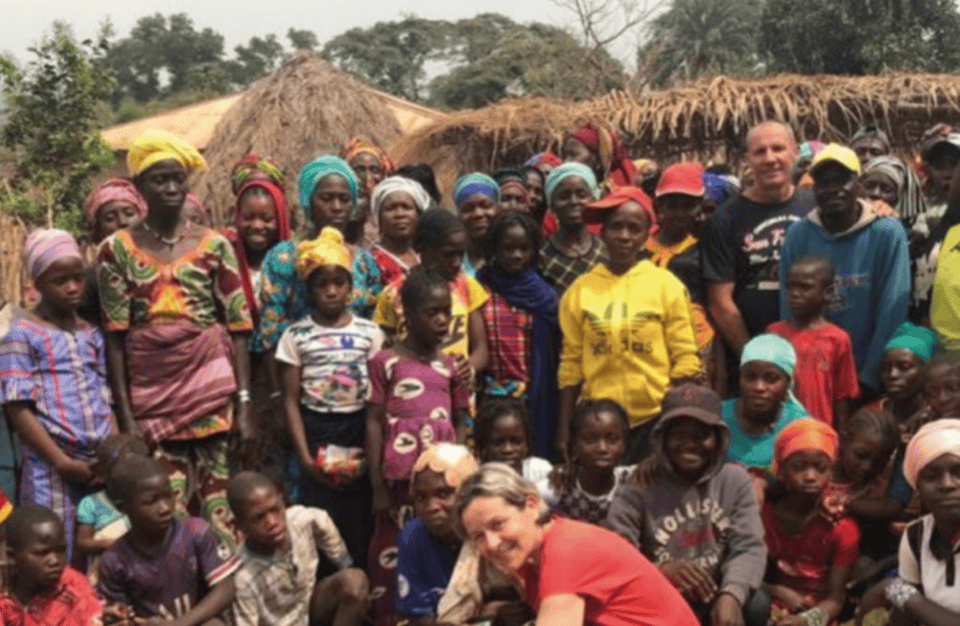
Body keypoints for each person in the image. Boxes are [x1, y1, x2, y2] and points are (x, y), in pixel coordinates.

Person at [98, 129, 254, 546]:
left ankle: (226, 606)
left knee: (220, 516)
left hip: (212, 401)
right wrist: (127, 417)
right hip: (153, 402)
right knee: (167, 519)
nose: (171, 188)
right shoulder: (117, 250)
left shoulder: (214, 245)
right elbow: (115, 336)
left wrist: (242, 404)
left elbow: (238, 326)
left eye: (177, 179)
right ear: (138, 188)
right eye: (159, 180)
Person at [456, 463, 701, 626]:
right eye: (478, 536)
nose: (492, 543)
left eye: (498, 524)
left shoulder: (565, 550)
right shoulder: (533, 559)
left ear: (531, 504)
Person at [556, 186, 701, 458]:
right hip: (599, 425)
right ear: (603, 232)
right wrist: (565, 432)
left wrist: (671, 422)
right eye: (616, 227)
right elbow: (572, 365)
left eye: (634, 229)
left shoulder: (666, 286)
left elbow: (685, 360)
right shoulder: (580, 291)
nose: (624, 236)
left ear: (647, 234)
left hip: (655, 421)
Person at [606, 384, 767, 626]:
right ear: (663, 438)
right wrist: (660, 571)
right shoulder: (640, 483)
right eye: (679, 435)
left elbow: (749, 546)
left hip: (715, 589)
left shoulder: (734, 481)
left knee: (756, 604)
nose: (689, 444)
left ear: (718, 437)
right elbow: (618, 550)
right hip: (659, 591)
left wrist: (731, 594)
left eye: (701, 435)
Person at [366, 267, 473, 626]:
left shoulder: (451, 366)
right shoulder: (386, 362)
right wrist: (378, 486)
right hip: (399, 481)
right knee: (391, 550)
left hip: (440, 481)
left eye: (447, 311)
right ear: (408, 316)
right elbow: (374, 421)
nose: (443, 320)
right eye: (433, 312)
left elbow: (461, 420)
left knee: (433, 545)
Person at [1, 229, 116, 560]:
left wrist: (115, 452)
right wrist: (62, 462)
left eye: (78, 278)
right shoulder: (20, 336)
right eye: (60, 280)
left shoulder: (91, 333)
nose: (72, 288)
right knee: (56, 553)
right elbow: (17, 408)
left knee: (106, 546)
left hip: (99, 465)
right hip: (50, 468)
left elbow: (107, 396)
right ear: (37, 283)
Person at [277, 227, 385, 565]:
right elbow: (291, 401)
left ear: (350, 288)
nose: (331, 291)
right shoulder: (296, 336)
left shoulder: (370, 333)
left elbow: (379, 399)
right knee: (321, 514)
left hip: (360, 424)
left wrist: (373, 454)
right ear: (309, 290)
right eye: (321, 284)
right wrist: (307, 460)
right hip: (317, 428)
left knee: (360, 512)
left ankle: (364, 586)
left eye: (338, 283)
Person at [780, 143, 910, 396]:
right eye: (824, 182)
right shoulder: (799, 235)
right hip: (813, 375)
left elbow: (892, 310)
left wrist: (871, 377)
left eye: (842, 180)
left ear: (858, 184)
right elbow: (789, 309)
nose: (833, 190)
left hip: (871, 374)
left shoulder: (885, 233)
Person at [703, 121, 815, 386]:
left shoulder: (816, 208)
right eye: (759, 152)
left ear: (795, 153)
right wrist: (756, 362)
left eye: (778, 149)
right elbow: (721, 303)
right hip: (751, 365)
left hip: (813, 354)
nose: (770, 159)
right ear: (747, 160)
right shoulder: (725, 219)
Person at [258, 154, 383, 353]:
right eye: (326, 199)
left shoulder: (366, 263)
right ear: (309, 201)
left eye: (344, 199)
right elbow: (271, 330)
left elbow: (374, 328)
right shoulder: (284, 258)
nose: (336, 208)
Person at [98, 455, 239, 626]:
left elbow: (225, 589)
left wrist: (178, 624)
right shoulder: (115, 560)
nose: (165, 508)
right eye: (151, 501)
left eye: (168, 496)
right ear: (123, 507)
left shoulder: (195, 532)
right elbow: (116, 615)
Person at [397, 444, 520, 625]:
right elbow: (416, 617)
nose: (432, 507)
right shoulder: (413, 536)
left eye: (445, 493)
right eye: (422, 497)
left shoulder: (498, 533)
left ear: (470, 495)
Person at [228, 471, 370, 626]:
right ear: (240, 525)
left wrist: (343, 563)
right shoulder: (244, 576)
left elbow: (323, 524)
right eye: (259, 517)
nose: (272, 522)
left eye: (275, 509)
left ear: (282, 501)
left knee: (355, 581)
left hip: (309, 606)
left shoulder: (301, 520)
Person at [856, 419, 960, 626]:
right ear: (917, 486)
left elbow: (910, 600)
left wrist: (896, 589)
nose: (947, 484)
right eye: (931, 476)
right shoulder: (917, 535)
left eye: (959, 472)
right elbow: (908, 615)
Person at [759, 418, 858, 626]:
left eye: (820, 467)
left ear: (831, 472)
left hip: (818, 614)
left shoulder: (841, 528)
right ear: (782, 469)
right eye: (799, 467)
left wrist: (804, 622)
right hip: (768, 604)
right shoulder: (763, 514)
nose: (811, 476)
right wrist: (778, 591)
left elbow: (835, 599)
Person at [478, 210, 560, 459]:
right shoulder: (480, 287)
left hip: (533, 396)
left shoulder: (545, 296)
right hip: (490, 396)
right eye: (507, 248)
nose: (516, 255)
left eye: (524, 248)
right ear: (494, 249)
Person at [373, 209, 489, 386]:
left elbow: (481, 349)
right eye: (449, 254)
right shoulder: (394, 293)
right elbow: (384, 349)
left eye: (461, 255)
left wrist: (468, 368)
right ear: (422, 248)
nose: (457, 263)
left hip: (458, 391)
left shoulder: (467, 287)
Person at [767, 256, 860, 426]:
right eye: (790, 287)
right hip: (777, 431)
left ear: (829, 293)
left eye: (804, 287)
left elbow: (842, 395)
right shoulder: (774, 333)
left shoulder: (837, 338)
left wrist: (840, 437)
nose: (794, 294)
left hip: (816, 432)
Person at [647, 162, 717, 389]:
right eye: (672, 205)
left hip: (698, 345)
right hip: (650, 346)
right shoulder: (638, 249)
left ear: (699, 208)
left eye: (688, 205)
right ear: (659, 206)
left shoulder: (704, 250)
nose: (679, 213)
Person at [0, 506, 102, 626]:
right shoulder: (4, 594)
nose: (55, 561)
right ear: (12, 556)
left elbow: (93, 617)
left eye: (60, 550)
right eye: (43, 553)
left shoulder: (73, 587)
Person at [540, 399, 633, 525]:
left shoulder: (632, 482)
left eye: (612, 440)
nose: (602, 448)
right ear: (574, 445)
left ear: (625, 444)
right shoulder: (560, 487)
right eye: (590, 440)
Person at [722, 334, 809, 470]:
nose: (759, 387)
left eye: (771, 378)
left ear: (788, 383)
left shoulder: (798, 426)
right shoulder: (718, 418)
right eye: (750, 377)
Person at [75, 434, 149, 580]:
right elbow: (82, 543)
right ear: (102, 474)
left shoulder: (145, 499)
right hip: (107, 574)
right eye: (118, 472)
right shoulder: (91, 503)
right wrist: (112, 543)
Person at [538, 163, 608, 297]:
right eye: (564, 197)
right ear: (551, 205)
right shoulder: (541, 255)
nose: (574, 201)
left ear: (593, 200)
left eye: (582, 195)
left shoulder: (606, 250)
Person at [368, 176, 430, 287]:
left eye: (406, 207)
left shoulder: (427, 257)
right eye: (391, 208)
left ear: (418, 215)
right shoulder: (369, 262)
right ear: (379, 218)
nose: (400, 214)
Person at [475, 398, 552, 483]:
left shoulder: (541, 472)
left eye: (516, 441)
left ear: (526, 443)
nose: (508, 449)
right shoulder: (476, 480)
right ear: (484, 444)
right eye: (498, 443)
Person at [341, 138, 395, 247]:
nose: (367, 177)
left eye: (374, 170)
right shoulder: (340, 213)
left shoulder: (392, 216)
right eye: (359, 169)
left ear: (383, 175)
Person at [563, 121, 638, 193]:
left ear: (597, 157)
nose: (566, 162)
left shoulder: (618, 189)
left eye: (573, 155)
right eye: (565, 156)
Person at [454, 173, 499, 277]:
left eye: (485, 206)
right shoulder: (452, 261)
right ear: (458, 215)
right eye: (467, 209)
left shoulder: (512, 256)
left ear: (498, 209)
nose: (478, 214)